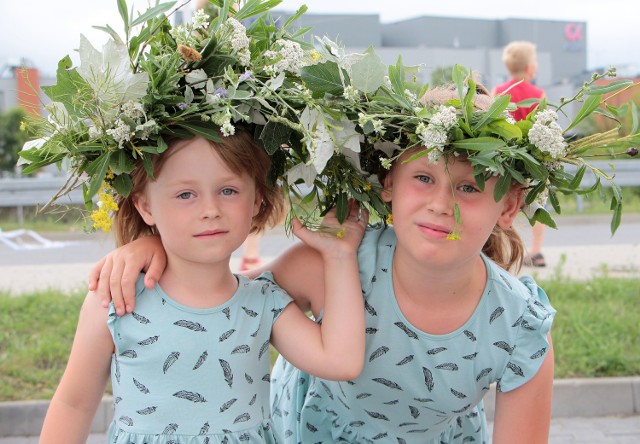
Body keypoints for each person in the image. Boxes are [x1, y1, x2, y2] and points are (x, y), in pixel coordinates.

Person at [87, 86, 557, 443]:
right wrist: (153, 249)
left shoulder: (520, 324)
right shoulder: (337, 260)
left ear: (510, 205)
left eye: (469, 188)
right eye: (423, 177)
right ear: (388, 182)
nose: (441, 204)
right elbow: (218, 301)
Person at [39, 131, 368, 444]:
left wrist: (339, 255)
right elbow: (74, 404)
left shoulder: (262, 302)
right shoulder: (116, 299)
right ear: (145, 206)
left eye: (228, 190)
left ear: (257, 199)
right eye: (186, 195)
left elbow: (341, 362)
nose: (210, 210)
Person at [493, 40, 547, 268]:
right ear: (530, 68)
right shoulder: (538, 93)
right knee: (537, 205)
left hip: (507, 158)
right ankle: (536, 252)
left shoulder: (499, 92)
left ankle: (503, 252)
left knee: (504, 206)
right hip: (532, 158)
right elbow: (543, 125)